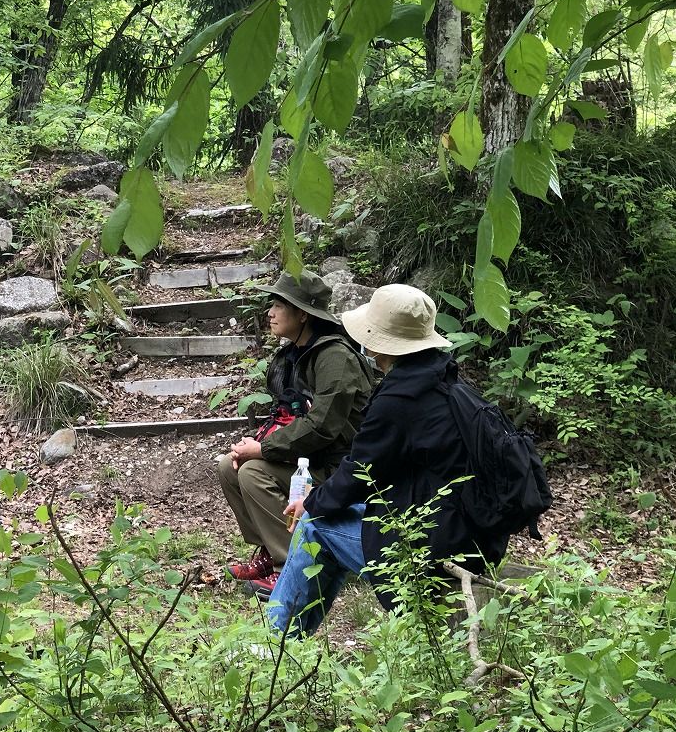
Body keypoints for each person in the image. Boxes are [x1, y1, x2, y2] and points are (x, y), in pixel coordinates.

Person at [265, 284, 513, 637]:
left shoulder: (400, 398)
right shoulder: (446, 382)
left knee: (314, 527)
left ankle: (275, 642)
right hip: (472, 535)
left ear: (377, 339)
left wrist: (311, 502)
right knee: (328, 517)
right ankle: (288, 635)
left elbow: (359, 472)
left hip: (436, 547)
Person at [217, 270, 372, 595]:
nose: (270, 313)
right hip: (307, 458)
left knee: (253, 473)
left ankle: (291, 567)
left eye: (279, 305)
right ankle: (269, 550)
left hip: (340, 469)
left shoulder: (335, 358)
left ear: (303, 314)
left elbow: (322, 426)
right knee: (227, 467)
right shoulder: (294, 355)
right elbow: (288, 415)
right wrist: (256, 442)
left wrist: (262, 450)